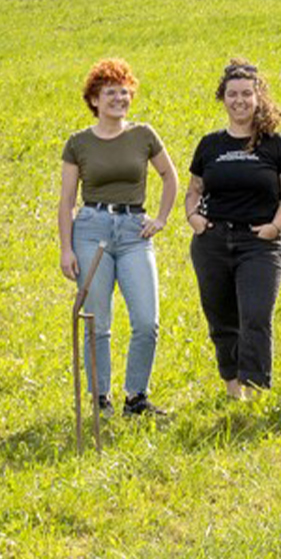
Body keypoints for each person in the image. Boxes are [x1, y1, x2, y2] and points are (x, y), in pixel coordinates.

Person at [58, 58, 178, 417]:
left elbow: (170, 178)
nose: (119, 99)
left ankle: (136, 397)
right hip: (91, 229)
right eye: (110, 93)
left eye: (124, 92)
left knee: (146, 319)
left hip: (133, 232)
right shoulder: (78, 143)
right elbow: (65, 201)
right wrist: (66, 249)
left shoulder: (143, 135)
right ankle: (100, 399)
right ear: (94, 99)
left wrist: (160, 218)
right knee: (98, 320)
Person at [184, 60, 281, 400]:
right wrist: (193, 218)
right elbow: (194, 190)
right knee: (221, 320)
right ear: (223, 98)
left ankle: (256, 390)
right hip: (213, 242)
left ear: (258, 97)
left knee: (256, 316)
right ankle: (234, 390)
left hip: (259, 244)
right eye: (232, 94)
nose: (239, 101)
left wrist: (275, 227)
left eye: (247, 94)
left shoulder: (276, 145)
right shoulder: (210, 145)